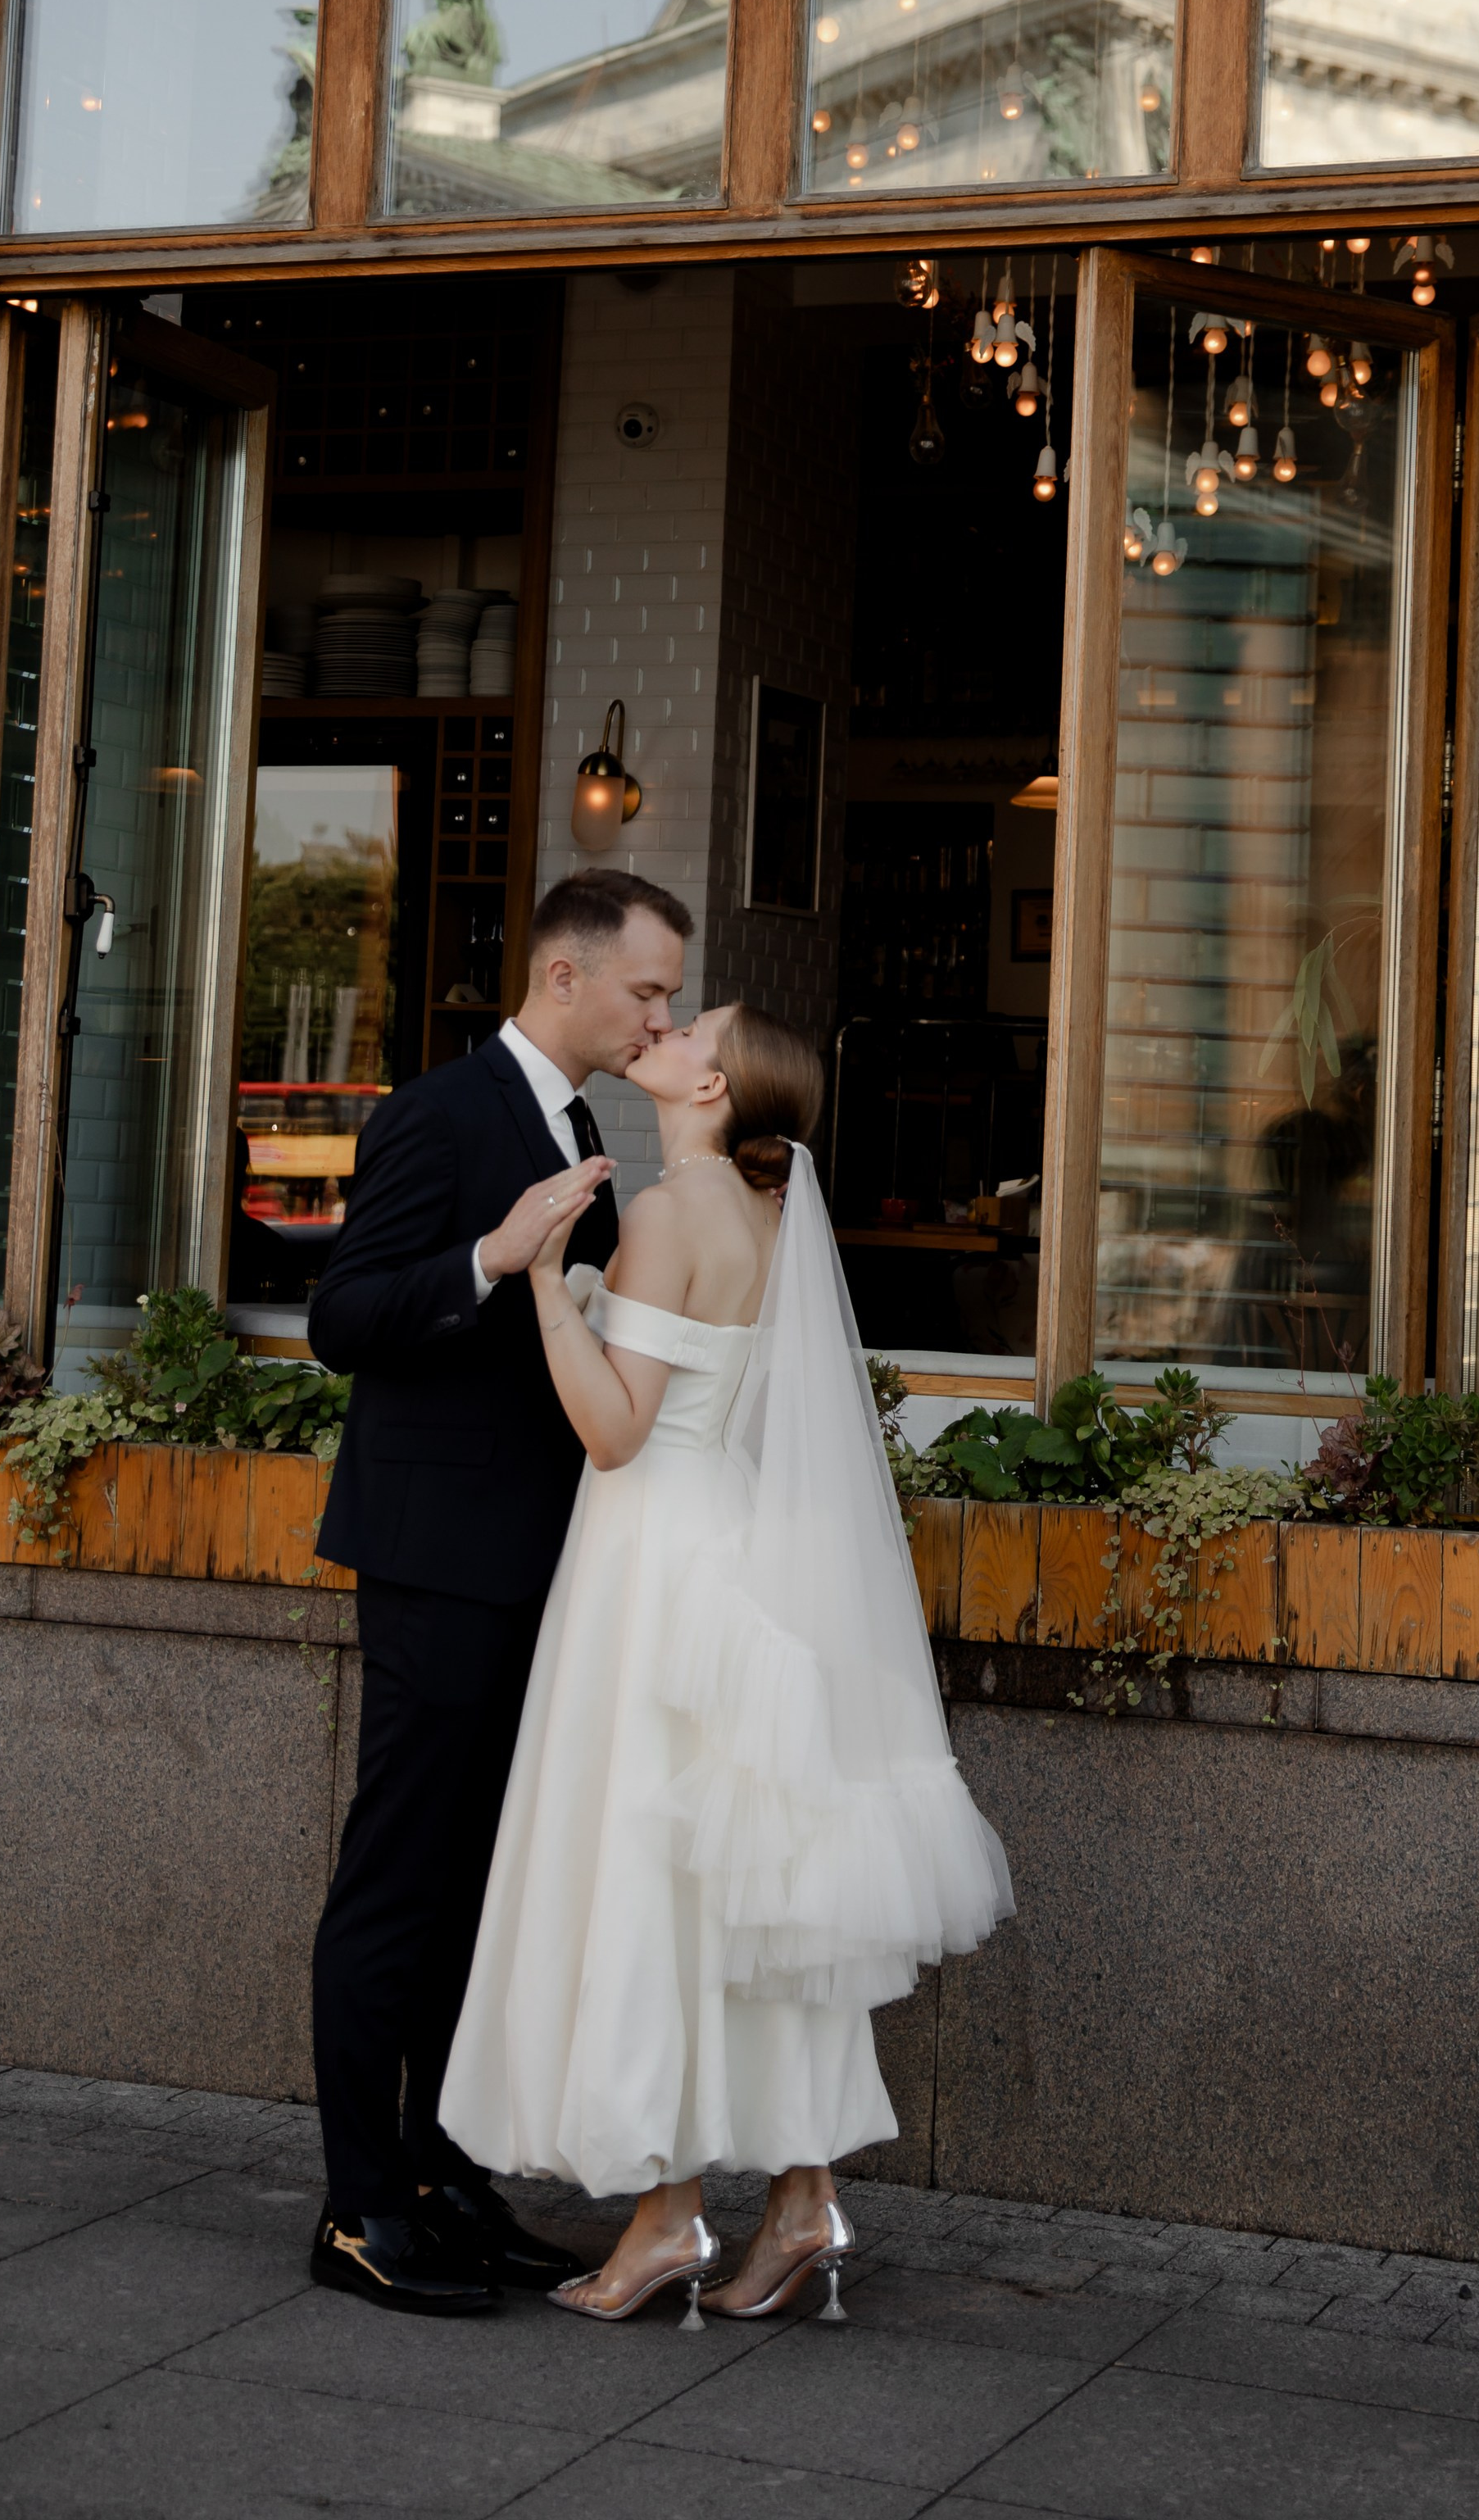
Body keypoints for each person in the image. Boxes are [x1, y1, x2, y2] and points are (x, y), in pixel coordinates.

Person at [441, 1003, 1013, 2326]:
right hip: (737, 1555)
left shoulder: (670, 1209)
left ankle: (664, 2218)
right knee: (743, 1886)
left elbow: (614, 1431)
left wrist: (546, 1280)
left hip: (651, 1564)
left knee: (651, 1870)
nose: (667, 1022)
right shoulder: (767, 1215)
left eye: (694, 1025)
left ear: (712, 1085)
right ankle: (800, 2197)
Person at [303, 866, 694, 2317]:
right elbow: (342, 1317)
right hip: (435, 1558)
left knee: (480, 1887)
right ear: (563, 976)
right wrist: (491, 1254)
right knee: (400, 1879)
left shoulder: (578, 1124)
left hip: (534, 1558)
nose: (657, 1016)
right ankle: (358, 2209)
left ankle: (443, 2178)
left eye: (669, 997)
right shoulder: (435, 1113)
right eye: (646, 989)